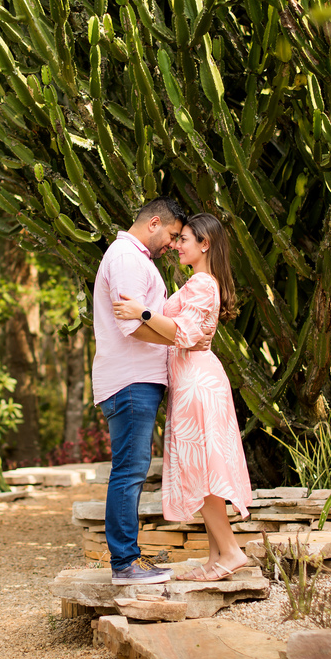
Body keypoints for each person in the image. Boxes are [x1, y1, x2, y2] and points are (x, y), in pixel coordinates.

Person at [112, 213, 253, 581]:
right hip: (191, 379)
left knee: (204, 471)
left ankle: (232, 552)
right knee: (202, 469)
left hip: (197, 382)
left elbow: (185, 335)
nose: (177, 245)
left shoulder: (203, 284)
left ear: (205, 244)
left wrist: (141, 312)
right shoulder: (198, 283)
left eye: (185, 239)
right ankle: (216, 557)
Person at [93, 197, 212, 586]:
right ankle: (124, 564)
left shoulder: (136, 258)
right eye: (173, 235)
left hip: (137, 380)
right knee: (129, 472)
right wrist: (177, 340)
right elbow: (132, 324)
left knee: (132, 470)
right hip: (130, 382)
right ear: (155, 222)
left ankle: (127, 559)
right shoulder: (127, 258)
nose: (173, 245)